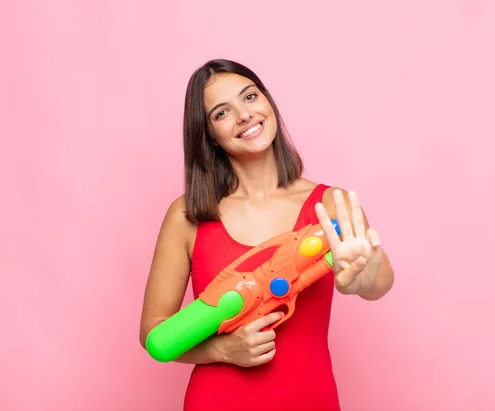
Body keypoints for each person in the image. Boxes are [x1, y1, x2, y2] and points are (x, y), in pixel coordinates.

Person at [139, 58, 394, 411]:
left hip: (310, 399)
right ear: (209, 136)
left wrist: (360, 277)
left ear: (268, 102)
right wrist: (222, 350)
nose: (244, 115)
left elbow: (378, 282)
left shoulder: (330, 204)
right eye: (222, 113)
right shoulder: (186, 217)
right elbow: (154, 332)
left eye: (250, 96)